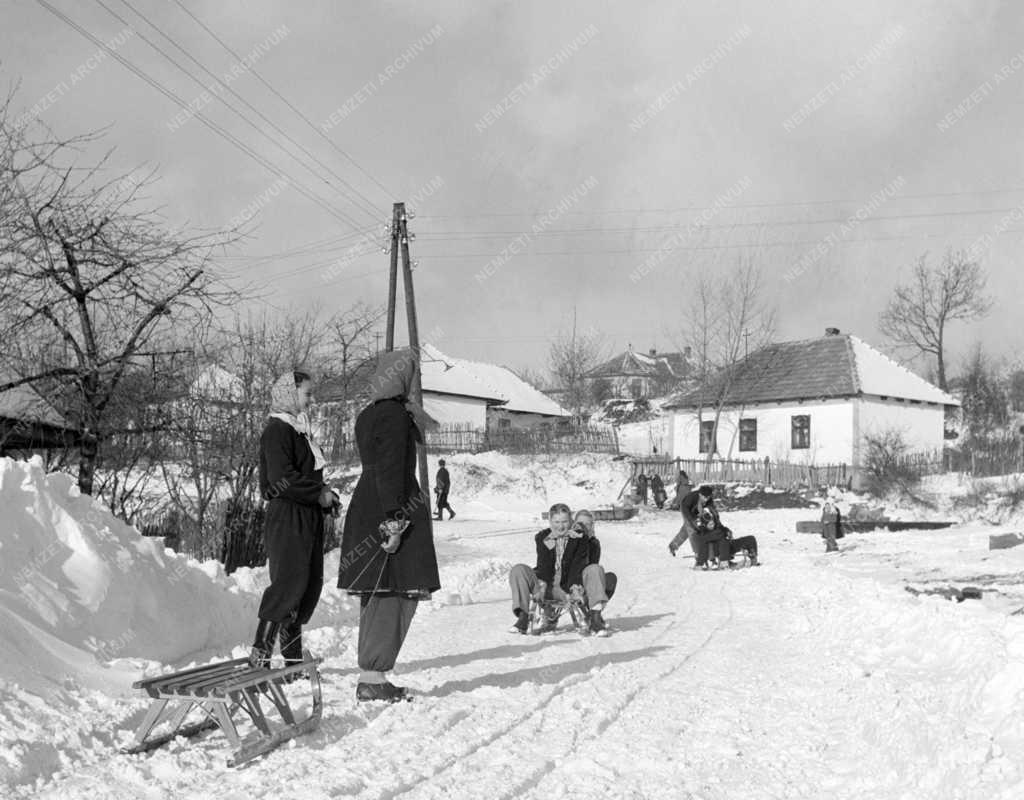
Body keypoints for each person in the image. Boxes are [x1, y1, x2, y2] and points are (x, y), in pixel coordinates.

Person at [337, 349, 440, 703]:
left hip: (369, 501)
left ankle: (372, 673)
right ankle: (373, 677)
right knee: (392, 592)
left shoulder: (368, 415)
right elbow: (392, 467)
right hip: (389, 505)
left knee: (377, 590)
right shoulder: (396, 416)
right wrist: (394, 521)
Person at [249, 369, 335, 670]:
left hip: (306, 515)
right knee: (288, 584)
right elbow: (279, 479)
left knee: (308, 585)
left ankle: (292, 661)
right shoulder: (277, 430)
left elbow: (305, 475)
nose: (312, 399)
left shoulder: (298, 430)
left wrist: (323, 497)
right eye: (307, 393)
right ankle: (259, 660)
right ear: (290, 392)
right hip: (287, 516)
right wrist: (317, 493)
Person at [507, 503, 592, 636]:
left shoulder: (579, 538)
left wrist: (574, 587)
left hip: (565, 586)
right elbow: (543, 564)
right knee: (518, 570)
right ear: (550, 521)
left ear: (570, 521)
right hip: (544, 582)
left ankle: (592, 617)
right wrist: (541, 586)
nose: (560, 526)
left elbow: (578, 565)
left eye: (564, 521)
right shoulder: (544, 537)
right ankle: (523, 617)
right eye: (556, 521)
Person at [572, 509, 617, 636]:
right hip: (572, 582)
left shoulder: (594, 543)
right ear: (574, 524)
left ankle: (595, 614)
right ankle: (595, 620)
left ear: (592, 526)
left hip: (588, 578)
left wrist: (586, 541)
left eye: (588, 524)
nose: (584, 527)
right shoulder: (569, 540)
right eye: (581, 524)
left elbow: (592, 565)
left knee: (610, 578)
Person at [668, 484, 713, 558]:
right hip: (686, 509)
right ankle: (697, 552)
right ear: (700, 494)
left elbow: (712, 510)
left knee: (686, 530)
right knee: (691, 529)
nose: (706, 499)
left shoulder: (708, 499)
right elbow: (686, 510)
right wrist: (691, 520)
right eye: (705, 497)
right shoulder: (691, 498)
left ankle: (673, 545)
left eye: (708, 497)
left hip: (696, 511)